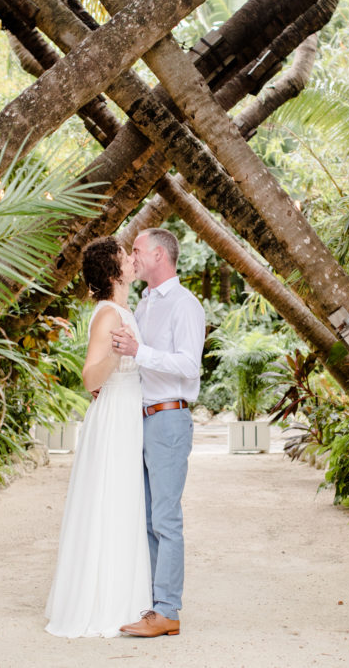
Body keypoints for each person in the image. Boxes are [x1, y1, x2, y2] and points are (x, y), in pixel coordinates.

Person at [44, 237, 152, 638]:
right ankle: (105, 603)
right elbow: (90, 376)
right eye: (125, 256)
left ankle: (124, 595)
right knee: (111, 502)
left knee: (124, 504)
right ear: (114, 272)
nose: (131, 260)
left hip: (128, 411)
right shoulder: (108, 315)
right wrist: (118, 354)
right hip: (114, 417)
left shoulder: (123, 309)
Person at [111, 228, 206, 638]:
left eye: (136, 250)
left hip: (169, 418)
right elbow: (142, 366)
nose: (132, 257)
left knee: (166, 517)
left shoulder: (185, 305)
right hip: (142, 417)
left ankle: (168, 610)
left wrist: (139, 352)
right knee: (148, 516)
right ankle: (154, 604)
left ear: (159, 255)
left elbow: (188, 365)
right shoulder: (145, 303)